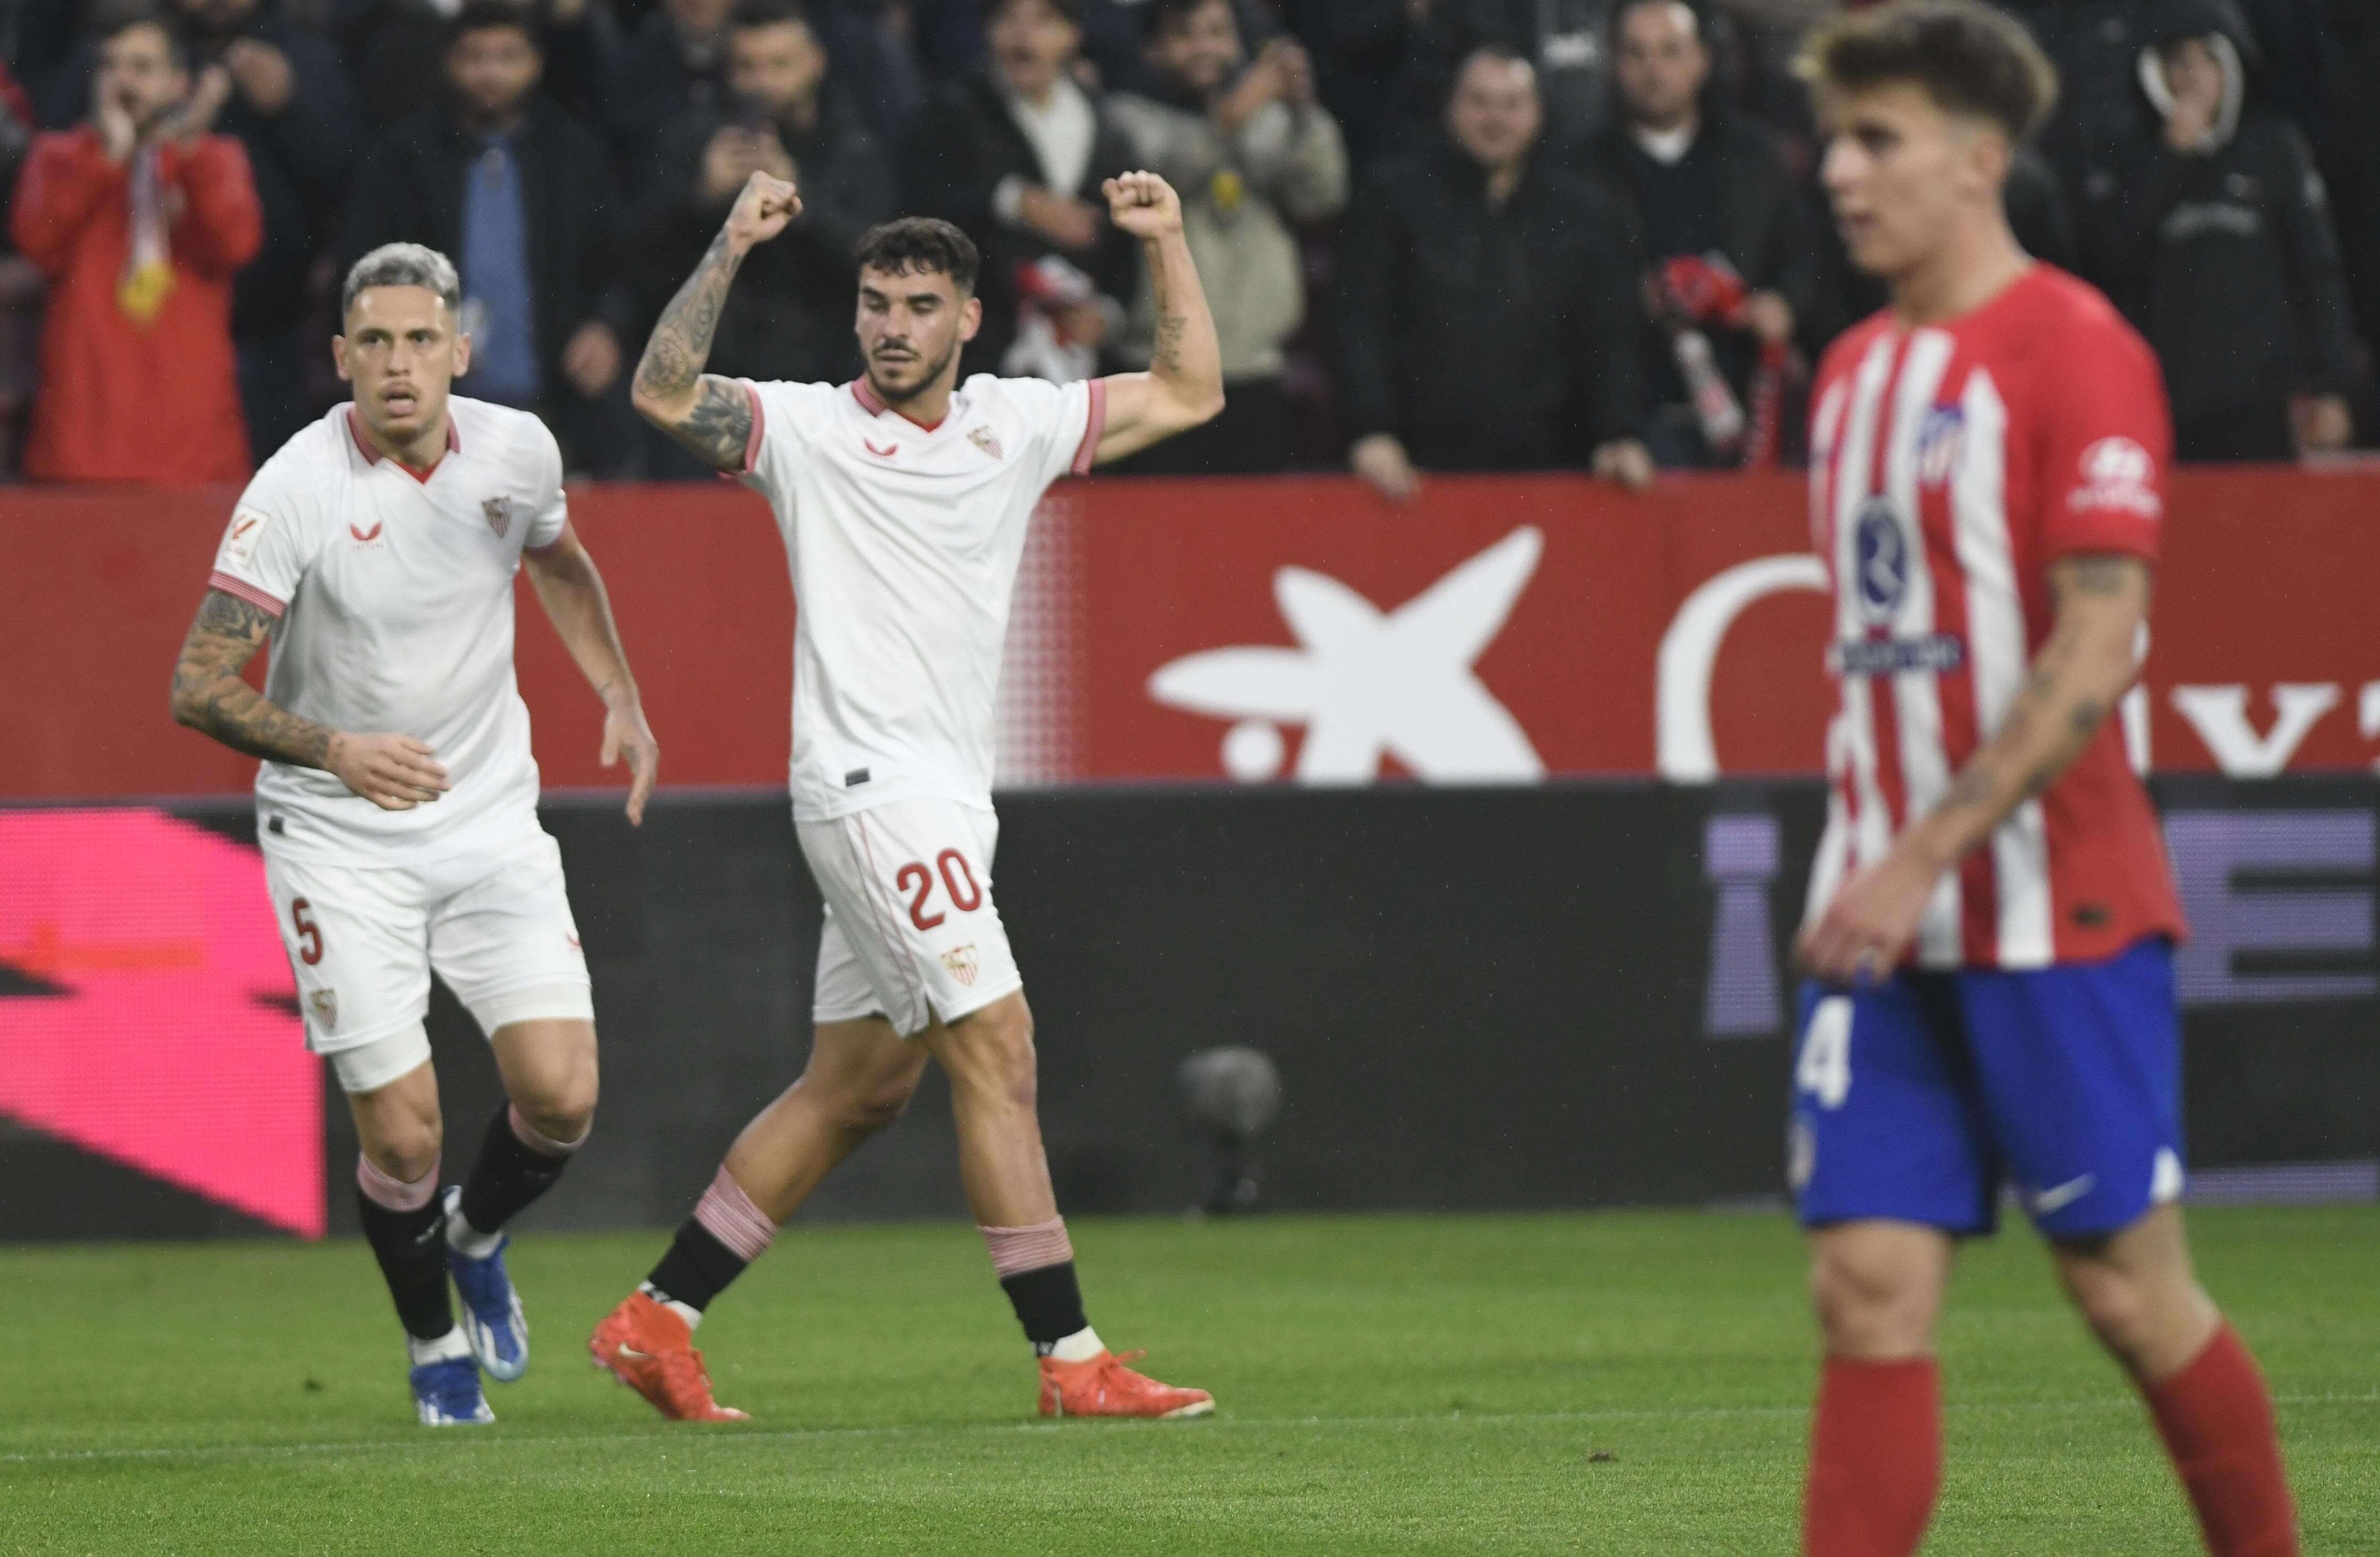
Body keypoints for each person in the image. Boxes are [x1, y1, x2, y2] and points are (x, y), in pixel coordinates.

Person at [1787, 5, 2299, 1554]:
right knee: (1861, 1291)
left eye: (1875, 141)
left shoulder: (2075, 348)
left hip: (2047, 904)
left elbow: (2088, 656)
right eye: (1831, 139)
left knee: (2124, 1294)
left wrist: (1923, 846)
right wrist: (1874, 858)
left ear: (1976, 160)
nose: (1836, 172)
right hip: (1875, 917)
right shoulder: (1850, 371)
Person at [590, 173, 1223, 1423]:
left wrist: (1165, 243)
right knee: (998, 1046)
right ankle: (1068, 1356)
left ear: (966, 322)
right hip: (866, 787)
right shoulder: (807, 432)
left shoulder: (1014, 425)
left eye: (918, 307)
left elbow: (1194, 392)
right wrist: (725, 244)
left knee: (860, 1087)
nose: (890, 327)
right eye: (875, 304)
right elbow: (662, 392)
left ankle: (653, 1319)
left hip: (944, 795)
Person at [167, 242, 660, 1427]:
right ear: (341, 359)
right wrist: (336, 749)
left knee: (561, 1097)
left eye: (420, 341)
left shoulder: (516, 448)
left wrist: (621, 694)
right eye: (374, 343)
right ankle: (433, 1340)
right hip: (337, 832)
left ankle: (477, 1236)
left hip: (487, 812)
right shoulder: (295, 487)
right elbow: (195, 682)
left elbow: (563, 564)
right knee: (404, 1130)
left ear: (460, 352)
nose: (398, 364)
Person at [1336, 45, 1651, 502]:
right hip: (1415, 469)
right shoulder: (1393, 198)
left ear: (1539, 112)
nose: (1495, 119)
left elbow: (1609, 333)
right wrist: (1371, 430)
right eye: (1479, 102)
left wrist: (1618, 433)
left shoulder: (1583, 210)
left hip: (1552, 467)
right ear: (1451, 106)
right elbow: (1360, 320)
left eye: (1511, 104)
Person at [342, 3, 637, 475]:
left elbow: (620, 263)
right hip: (431, 413)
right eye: (474, 57)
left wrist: (605, 325)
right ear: (448, 62)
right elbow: (363, 271)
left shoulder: (575, 153)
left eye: (507, 57)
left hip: (559, 406)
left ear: (536, 61)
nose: (490, 73)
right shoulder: (403, 158)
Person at [2079, 0, 2358, 461]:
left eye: (2208, 57)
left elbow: (2317, 272)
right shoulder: (2134, 159)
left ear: (2232, 64)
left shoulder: (2274, 150)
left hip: (2264, 403)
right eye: (2178, 61)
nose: (2193, 76)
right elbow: (2111, 261)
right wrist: (2168, 159)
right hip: (2165, 400)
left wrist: (2331, 384)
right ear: (2156, 71)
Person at [632, 0, 896, 477]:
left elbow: (878, 264)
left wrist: (803, 196)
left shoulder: (857, 149)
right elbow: (643, 266)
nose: (763, 81)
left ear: (816, 62)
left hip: (826, 391)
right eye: (747, 66)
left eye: (780, 65)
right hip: (712, 391)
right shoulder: (689, 144)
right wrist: (704, 199)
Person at [12, 6, 260, 482]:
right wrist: (107, 156)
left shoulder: (213, 158)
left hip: (193, 449)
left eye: (142, 67)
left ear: (179, 84)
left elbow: (236, 244)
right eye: (109, 66)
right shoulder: (60, 157)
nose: (122, 81)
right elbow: (38, 245)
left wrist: (186, 152)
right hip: (83, 443)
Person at [1107, 0, 1346, 473]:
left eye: (1218, 32)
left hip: (1255, 366)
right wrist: (1233, 117)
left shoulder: (1271, 119)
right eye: (1186, 34)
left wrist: (1303, 112)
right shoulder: (1126, 115)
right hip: (1155, 365)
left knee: (1250, 537)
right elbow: (1162, 174)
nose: (1204, 48)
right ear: (1154, 49)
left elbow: (1323, 196)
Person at [1583, 0, 1817, 469]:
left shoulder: (1754, 156)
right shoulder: (1581, 167)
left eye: (1670, 52)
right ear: (1614, 63)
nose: (1654, 70)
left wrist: (1785, 303)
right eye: (1637, 53)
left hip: (1751, 400)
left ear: (1702, 61)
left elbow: (1804, 251)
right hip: (1633, 415)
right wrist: (1629, 299)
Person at [902, 0, 1139, 380]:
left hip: (1080, 362)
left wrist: (1110, 312)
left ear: (1072, 35)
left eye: (1044, 20)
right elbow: (921, 203)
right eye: (1008, 18)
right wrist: (1012, 201)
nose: (1023, 34)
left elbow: (1125, 239)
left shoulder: (1102, 118)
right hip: (984, 352)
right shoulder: (953, 111)